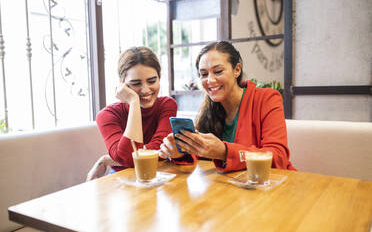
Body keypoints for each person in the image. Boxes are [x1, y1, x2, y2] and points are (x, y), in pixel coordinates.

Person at [159, 41, 296, 172]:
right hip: (234, 190)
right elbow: (203, 156)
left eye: (218, 71)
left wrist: (224, 152)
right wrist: (181, 152)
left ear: (237, 70)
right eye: (204, 74)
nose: (210, 80)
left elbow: (278, 157)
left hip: (275, 187)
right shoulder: (209, 107)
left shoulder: (267, 99)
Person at [87, 47, 189, 181]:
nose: (145, 90)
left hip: (158, 173)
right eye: (135, 84)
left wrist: (107, 159)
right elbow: (129, 159)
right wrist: (133, 102)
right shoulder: (107, 115)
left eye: (152, 81)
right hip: (122, 177)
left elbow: (160, 147)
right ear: (122, 85)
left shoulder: (167, 105)